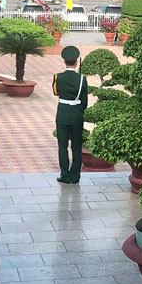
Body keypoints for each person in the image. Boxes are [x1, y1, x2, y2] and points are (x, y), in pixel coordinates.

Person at [54, 46, 87, 184]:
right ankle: (75, 176)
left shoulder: (57, 77)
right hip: (76, 115)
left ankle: (65, 175)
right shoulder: (82, 79)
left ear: (64, 61)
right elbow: (84, 100)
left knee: (62, 146)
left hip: (62, 114)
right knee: (76, 146)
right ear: (76, 62)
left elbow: (56, 93)